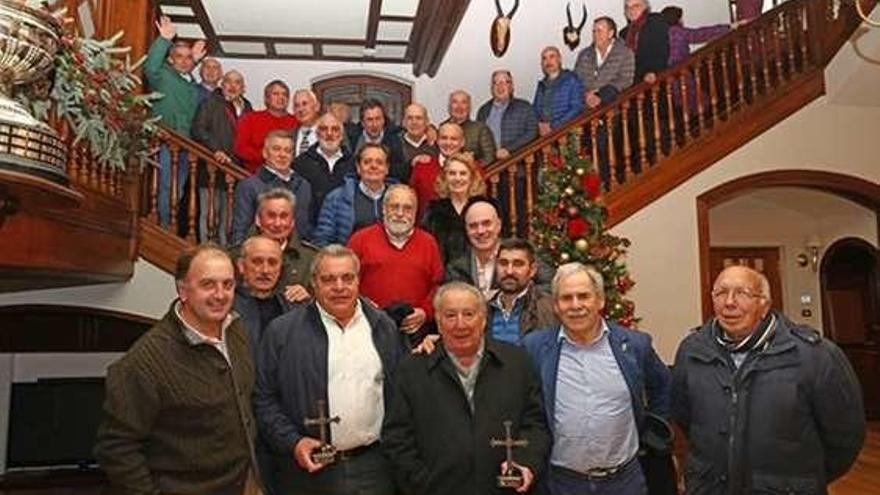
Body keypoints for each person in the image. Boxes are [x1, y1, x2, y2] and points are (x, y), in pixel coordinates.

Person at [672, 265, 866, 494]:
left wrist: (800, 482)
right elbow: (685, 416)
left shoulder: (814, 355)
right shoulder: (692, 350)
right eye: (721, 293)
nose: (729, 302)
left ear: (764, 304)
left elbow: (844, 438)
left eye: (742, 293)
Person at [95, 244, 259, 495]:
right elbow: (117, 447)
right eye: (208, 284)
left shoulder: (235, 329)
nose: (220, 294)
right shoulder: (144, 362)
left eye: (228, 284)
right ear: (183, 290)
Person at [254, 245, 408, 494]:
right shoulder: (281, 332)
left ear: (359, 280)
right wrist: (293, 442)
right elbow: (264, 399)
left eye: (347, 278)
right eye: (328, 279)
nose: (339, 287)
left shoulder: (384, 327)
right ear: (313, 283)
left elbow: (403, 394)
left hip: (375, 467)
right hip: (309, 469)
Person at [382, 282, 551, 495]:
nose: (460, 324)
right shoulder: (412, 370)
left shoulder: (517, 363)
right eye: (450, 315)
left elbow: (535, 424)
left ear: (483, 319)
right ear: (439, 322)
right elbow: (397, 437)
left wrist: (524, 463)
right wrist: (423, 483)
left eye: (469, 314)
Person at [522, 262, 672, 495]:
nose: (575, 306)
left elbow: (663, 388)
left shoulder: (634, 345)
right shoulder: (535, 348)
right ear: (556, 306)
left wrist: (652, 436)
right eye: (566, 298)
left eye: (583, 296)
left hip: (625, 482)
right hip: (561, 483)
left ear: (600, 300)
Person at [234, 235, 292, 495]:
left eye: (272, 262)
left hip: (281, 422)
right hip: (238, 424)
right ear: (241, 266)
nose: (265, 270)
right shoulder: (225, 309)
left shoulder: (292, 309)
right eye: (257, 262)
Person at [348, 184, 444, 338]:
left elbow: (438, 286)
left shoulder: (428, 243)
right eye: (394, 207)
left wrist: (425, 312)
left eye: (407, 208)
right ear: (384, 209)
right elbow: (346, 283)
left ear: (415, 212)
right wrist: (365, 309)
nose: (400, 213)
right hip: (368, 331)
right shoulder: (360, 240)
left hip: (416, 335)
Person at [144, 15, 205, 227]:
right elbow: (150, 67)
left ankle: (167, 224)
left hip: (186, 146)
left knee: (177, 190)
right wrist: (164, 40)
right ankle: (162, 227)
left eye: (189, 57)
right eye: (179, 56)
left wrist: (196, 61)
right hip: (165, 142)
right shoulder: (162, 75)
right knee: (165, 187)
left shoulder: (192, 85)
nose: (185, 60)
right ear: (170, 59)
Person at [446, 197, 553, 297]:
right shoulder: (456, 268)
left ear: (498, 225)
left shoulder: (520, 252)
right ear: (466, 230)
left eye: (486, 223)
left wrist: (512, 297)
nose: (480, 231)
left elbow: (550, 286)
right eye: (473, 226)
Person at [192, 69, 253, 244]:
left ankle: (225, 252)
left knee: (230, 217)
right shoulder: (210, 103)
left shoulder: (248, 109)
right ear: (222, 84)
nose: (232, 86)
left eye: (237, 82)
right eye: (229, 81)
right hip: (212, 167)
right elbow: (198, 129)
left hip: (236, 171)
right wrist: (215, 150)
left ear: (243, 88)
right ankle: (206, 248)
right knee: (210, 213)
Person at [232, 130, 313, 243]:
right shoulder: (249, 186)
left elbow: (306, 228)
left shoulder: (304, 185)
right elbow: (240, 231)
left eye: (288, 151)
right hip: (263, 253)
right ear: (265, 153)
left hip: (297, 254)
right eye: (276, 149)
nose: (282, 155)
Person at [238, 188, 317, 304]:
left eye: (284, 216)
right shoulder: (235, 254)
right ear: (258, 220)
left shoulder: (312, 258)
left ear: (293, 222)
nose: (277, 223)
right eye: (271, 216)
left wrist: (308, 299)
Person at [313, 143, 396, 246]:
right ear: (358, 167)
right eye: (367, 162)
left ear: (387, 168)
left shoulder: (399, 197)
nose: (373, 166)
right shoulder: (336, 198)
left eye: (379, 162)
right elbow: (322, 239)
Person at [488, 238, 557, 344]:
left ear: (532, 270)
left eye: (518, 264)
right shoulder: (484, 309)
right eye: (503, 263)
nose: (509, 271)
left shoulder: (549, 309)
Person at [293, 112, 357, 227]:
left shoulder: (354, 164)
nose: (329, 133)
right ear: (317, 134)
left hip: (347, 230)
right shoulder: (300, 163)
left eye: (335, 129)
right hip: (311, 232)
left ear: (342, 135)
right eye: (324, 129)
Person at [421, 152, 486, 263]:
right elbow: (426, 249)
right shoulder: (433, 210)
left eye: (463, 173)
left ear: (471, 177)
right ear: (445, 177)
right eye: (452, 173)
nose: (457, 178)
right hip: (444, 276)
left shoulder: (484, 208)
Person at [409, 122, 470, 220]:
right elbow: (412, 201)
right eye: (444, 138)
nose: (448, 143)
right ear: (437, 140)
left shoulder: (473, 168)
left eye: (453, 139)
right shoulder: (421, 167)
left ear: (462, 142)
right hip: (429, 230)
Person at [234, 80, 299, 173]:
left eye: (285, 94)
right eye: (276, 94)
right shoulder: (250, 119)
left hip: (288, 176)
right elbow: (240, 149)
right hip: (256, 175)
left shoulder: (296, 121)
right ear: (267, 98)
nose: (281, 97)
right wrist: (269, 156)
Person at [574, 17, 636, 109]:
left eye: (599, 31)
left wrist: (600, 93)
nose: (595, 35)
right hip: (585, 107)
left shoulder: (625, 53)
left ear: (610, 33)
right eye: (594, 31)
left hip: (612, 106)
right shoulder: (584, 54)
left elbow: (626, 80)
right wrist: (586, 94)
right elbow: (576, 79)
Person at [476, 70, 539, 160]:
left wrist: (508, 149)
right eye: (496, 83)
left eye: (505, 82)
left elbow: (532, 132)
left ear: (511, 86)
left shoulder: (524, 107)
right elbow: (479, 139)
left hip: (517, 165)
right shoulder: (483, 110)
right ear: (491, 87)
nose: (500, 87)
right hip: (491, 167)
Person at [533, 46, 585, 136]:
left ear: (559, 59)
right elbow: (535, 110)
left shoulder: (571, 79)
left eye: (552, 56)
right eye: (544, 58)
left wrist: (553, 126)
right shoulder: (541, 86)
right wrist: (540, 125)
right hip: (545, 135)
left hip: (566, 132)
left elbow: (577, 107)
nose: (548, 62)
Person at [662, 6, 733, 67]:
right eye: (681, 18)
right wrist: (728, 27)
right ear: (677, 19)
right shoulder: (678, 32)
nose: (682, 20)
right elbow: (701, 34)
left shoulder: (662, 32)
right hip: (680, 70)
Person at [620, 0, 669, 85]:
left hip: (654, 80)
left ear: (646, 7)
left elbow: (662, 49)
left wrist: (654, 71)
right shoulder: (623, 33)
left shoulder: (655, 21)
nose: (631, 10)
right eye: (627, 7)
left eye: (636, 6)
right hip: (632, 82)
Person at [387, 103, 438, 183]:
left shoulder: (437, 143)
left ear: (427, 122)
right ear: (403, 122)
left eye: (419, 118)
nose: (414, 122)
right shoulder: (392, 143)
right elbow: (388, 171)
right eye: (410, 118)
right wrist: (411, 164)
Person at [443, 90, 496, 163]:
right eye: (455, 102)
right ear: (449, 107)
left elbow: (490, 158)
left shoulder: (480, 129)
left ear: (469, 107)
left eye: (464, 102)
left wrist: (470, 167)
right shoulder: (442, 128)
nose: (459, 106)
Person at [292, 89, 322, 157]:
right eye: (297, 105)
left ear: (317, 106)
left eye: (304, 104)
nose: (300, 109)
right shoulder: (290, 135)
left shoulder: (331, 132)